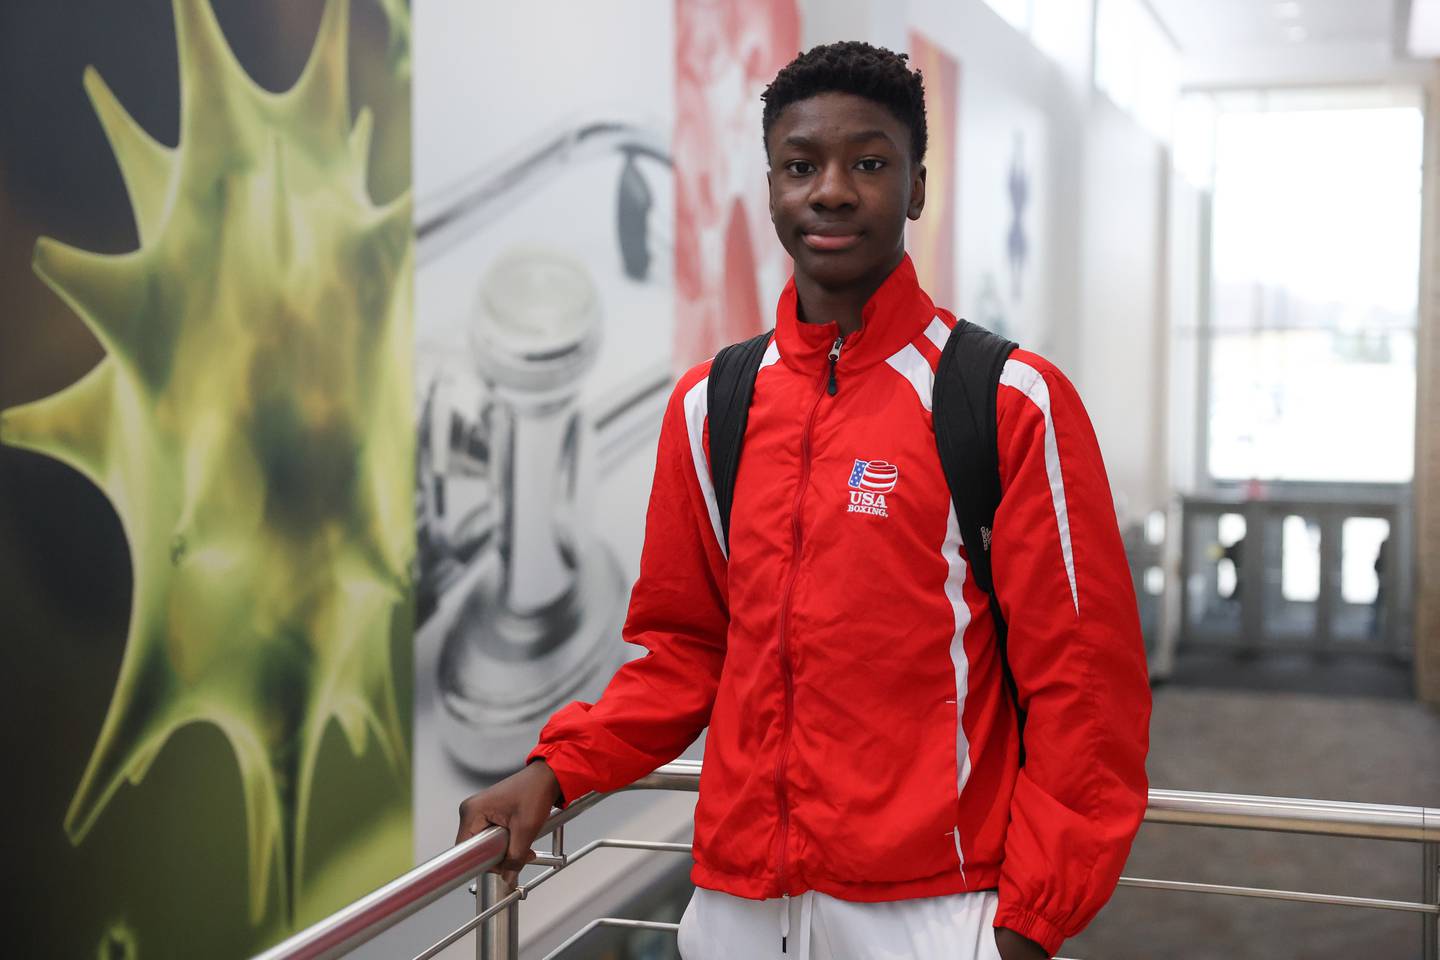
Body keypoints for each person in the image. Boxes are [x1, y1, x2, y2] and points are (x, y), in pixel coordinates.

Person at [456, 41, 1151, 960]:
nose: (830, 190)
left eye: (868, 162)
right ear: (773, 187)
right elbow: (686, 651)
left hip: (933, 910)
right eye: (800, 165)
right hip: (739, 904)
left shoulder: (1008, 402)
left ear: (915, 188)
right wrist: (557, 769)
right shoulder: (715, 406)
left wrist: (1027, 929)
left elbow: (1087, 704)